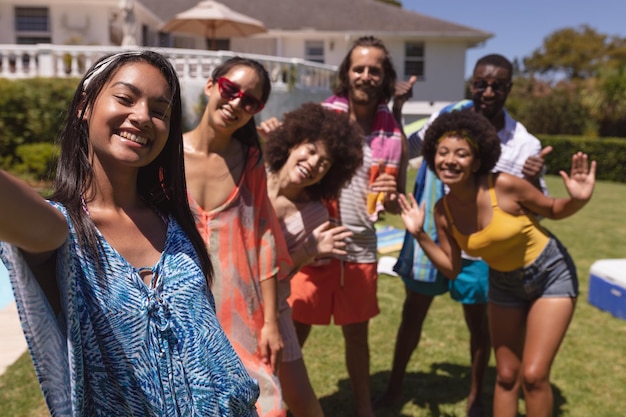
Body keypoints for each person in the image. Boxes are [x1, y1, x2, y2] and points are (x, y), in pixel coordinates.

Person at [0, 50, 259, 416]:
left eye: (160, 109)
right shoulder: (62, 232)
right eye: (125, 98)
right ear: (85, 106)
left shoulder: (177, 226)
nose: (142, 117)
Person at [378, 53, 551, 416]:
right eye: (481, 84)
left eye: (497, 85)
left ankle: (475, 399)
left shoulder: (523, 143)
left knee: (478, 325)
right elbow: (405, 148)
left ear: (509, 88)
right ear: (471, 83)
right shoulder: (448, 115)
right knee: (413, 315)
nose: (488, 92)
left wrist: (534, 178)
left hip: (481, 251)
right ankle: (394, 389)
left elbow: (537, 207)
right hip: (431, 231)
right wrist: (397, 106)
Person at [397, 109, 595, 417]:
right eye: (442, 153)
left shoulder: (503, 185)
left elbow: (554, 209)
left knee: (533, 375)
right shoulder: (442, 210)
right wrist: (420, 234)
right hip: (503, 283)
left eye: (461, 154)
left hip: (549, 273)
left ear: (476, 161)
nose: (450, 160)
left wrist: (578, 199)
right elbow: (451, 268)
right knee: (505, 376)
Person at [286, 36, 407, 417]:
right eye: (359, 68)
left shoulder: (392, 134)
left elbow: (392, 200)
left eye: (375, 70)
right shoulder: (322, 118)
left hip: (359, 247)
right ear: (346, 74)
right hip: (314, 243)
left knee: (357, 336)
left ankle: (363, 409)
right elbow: (294, 168)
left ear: (385, 77)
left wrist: (390, 196)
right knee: (293, 332)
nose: (366, 76)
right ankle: (272, 403)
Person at [183, 56, 292, 417]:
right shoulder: (165, 154)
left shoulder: (250, 161)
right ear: (212, 85)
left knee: (264, 404)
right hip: (180, 304)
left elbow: (265, 238)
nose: (236, 104)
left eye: (250, 102)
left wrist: (272, 322)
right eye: (231, 90)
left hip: (241, 308)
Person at [262, 102, 364, 417]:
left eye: (325, 163)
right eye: (310, 150)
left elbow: (280, 274)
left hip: (275, 312)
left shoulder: (314, 214)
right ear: (292, 142)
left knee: (305, 405)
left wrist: (308, 251)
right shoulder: (252, 172)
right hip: (225, 306)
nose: (313, 163)